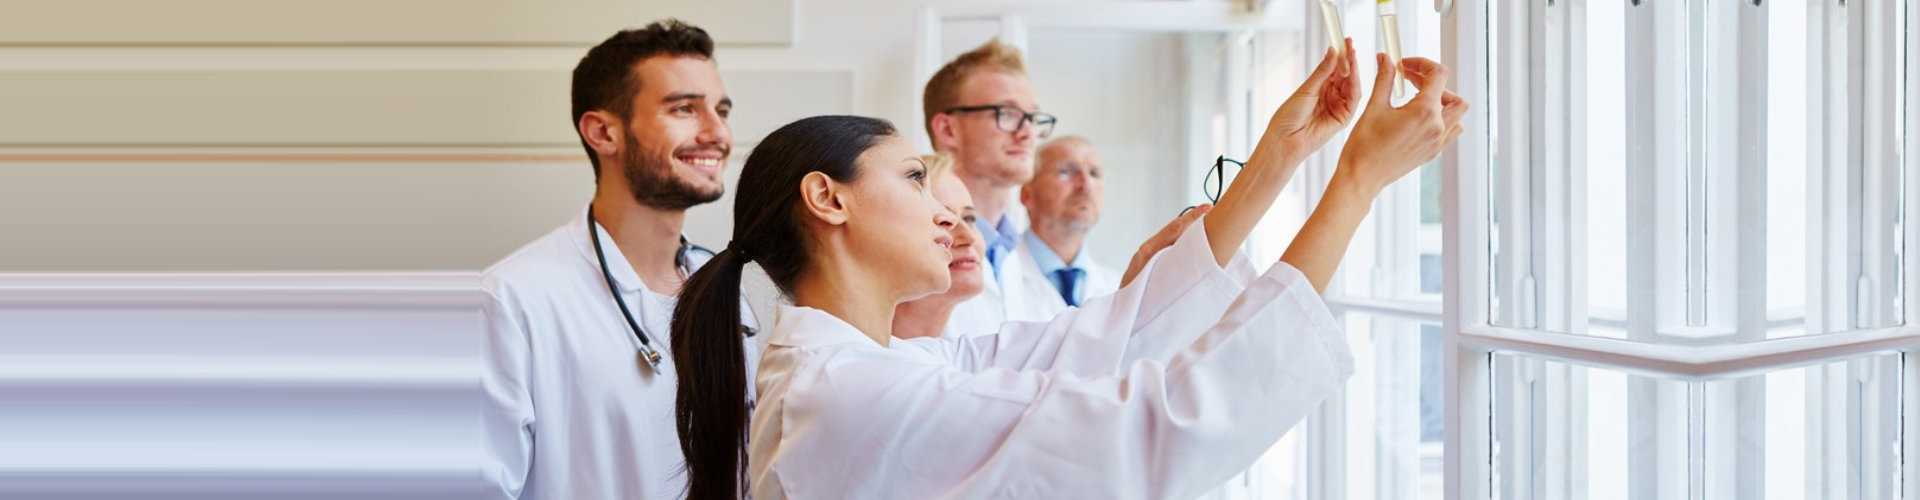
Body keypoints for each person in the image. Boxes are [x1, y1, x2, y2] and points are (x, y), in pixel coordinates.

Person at [673, 34, 1467, 498]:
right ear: (828, 199)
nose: (946, 213)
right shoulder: (848, 393)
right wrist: (1356, 182)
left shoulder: (879, 365)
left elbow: (1094, 341)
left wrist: (1281, 156)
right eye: (915, 179)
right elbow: (1160, 425)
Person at [478, 20, 755, 499]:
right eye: (684, 109)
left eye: (722, 110)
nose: (717, 132)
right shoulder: (510, 300)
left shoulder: (726, 291)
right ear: (603, 132)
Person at [921, 39, 1056, 336]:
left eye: (1033, 118)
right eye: (1007, 114)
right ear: (948, 130)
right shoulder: (916, 245)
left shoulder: (1010, 252)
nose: (1027, 134)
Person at [1016, 135, 1120, 314]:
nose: (1086, 185)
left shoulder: (1116, 287)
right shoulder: (999, 273)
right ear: (1027, 195)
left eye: (1094, 174)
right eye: (1065, 172)